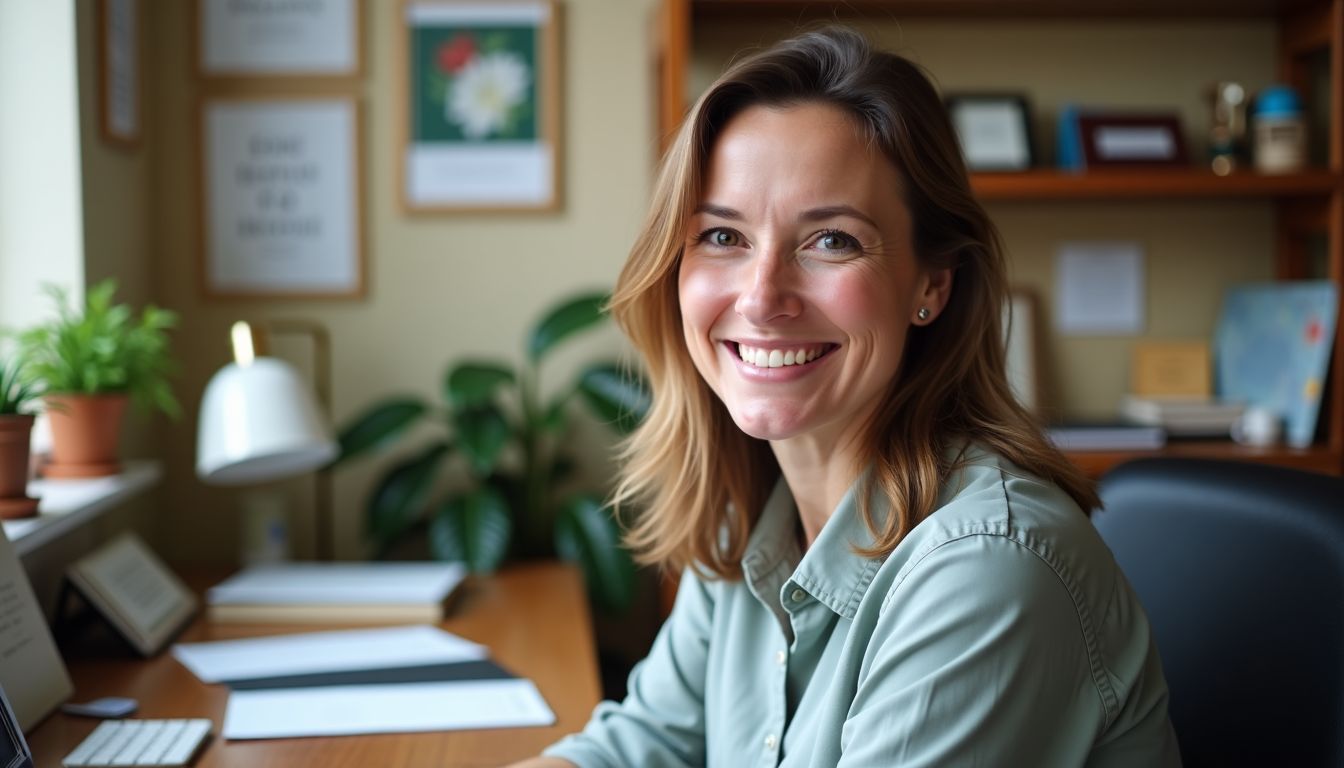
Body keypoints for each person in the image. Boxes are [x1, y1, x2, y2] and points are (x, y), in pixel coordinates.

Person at [513, 26, 1180, 767]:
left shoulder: (986, 569)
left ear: (932, 284)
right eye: (722, 237)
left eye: (831, 240)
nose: (762, 298)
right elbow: (645, 744)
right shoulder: (747, 518)